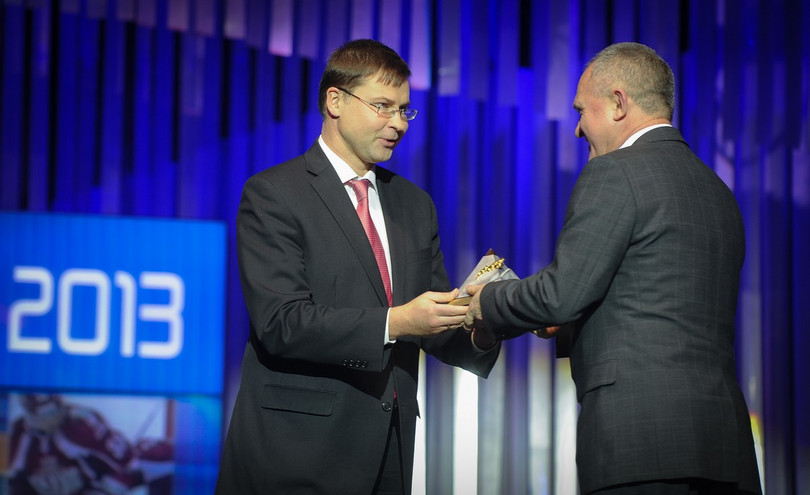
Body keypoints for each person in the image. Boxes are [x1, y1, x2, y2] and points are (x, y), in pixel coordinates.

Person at [465, 42, 761, 494]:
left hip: (641, 440)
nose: (578, 128)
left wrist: (487, 299)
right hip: (724, 447)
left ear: (619, 103)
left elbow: (559, 294)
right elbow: (657, 298)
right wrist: (571, 323)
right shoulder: (717, 190)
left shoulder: (615, 172)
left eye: (582, 110)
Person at [216, 39, 500, 494]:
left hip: (391, 451)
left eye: (404, 110)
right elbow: (281, 323)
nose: (398, 123)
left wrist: (483, 321)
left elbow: (433, 327)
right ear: (335, 101)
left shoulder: (414, 204)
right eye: (382, 106)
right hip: (297, 452)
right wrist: (396, 321)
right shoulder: (274, 194)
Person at [7, 393, 174, 495]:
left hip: (102, 484)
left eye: (50, 412)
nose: (47, 420)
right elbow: (17, 481)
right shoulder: (20, 431)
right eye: (39, 414)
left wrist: (104, 490)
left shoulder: (81, 425)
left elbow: (129, 463)